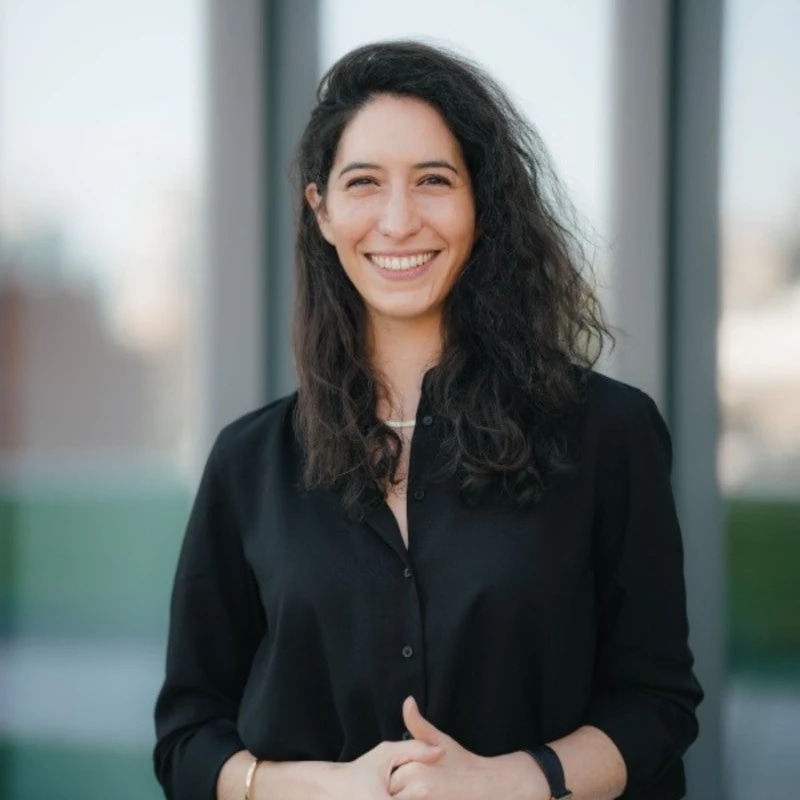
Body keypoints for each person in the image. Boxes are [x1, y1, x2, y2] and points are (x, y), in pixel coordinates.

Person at [153, 40, 703, 800]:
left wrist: (511, 781)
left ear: (481, 201)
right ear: (322, 210)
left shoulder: (607, 433)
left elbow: (657, 707)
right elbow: (186, 738)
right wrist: (321, 787)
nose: (399, 219)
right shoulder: (249, 462)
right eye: (364, 183)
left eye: (434, 181)